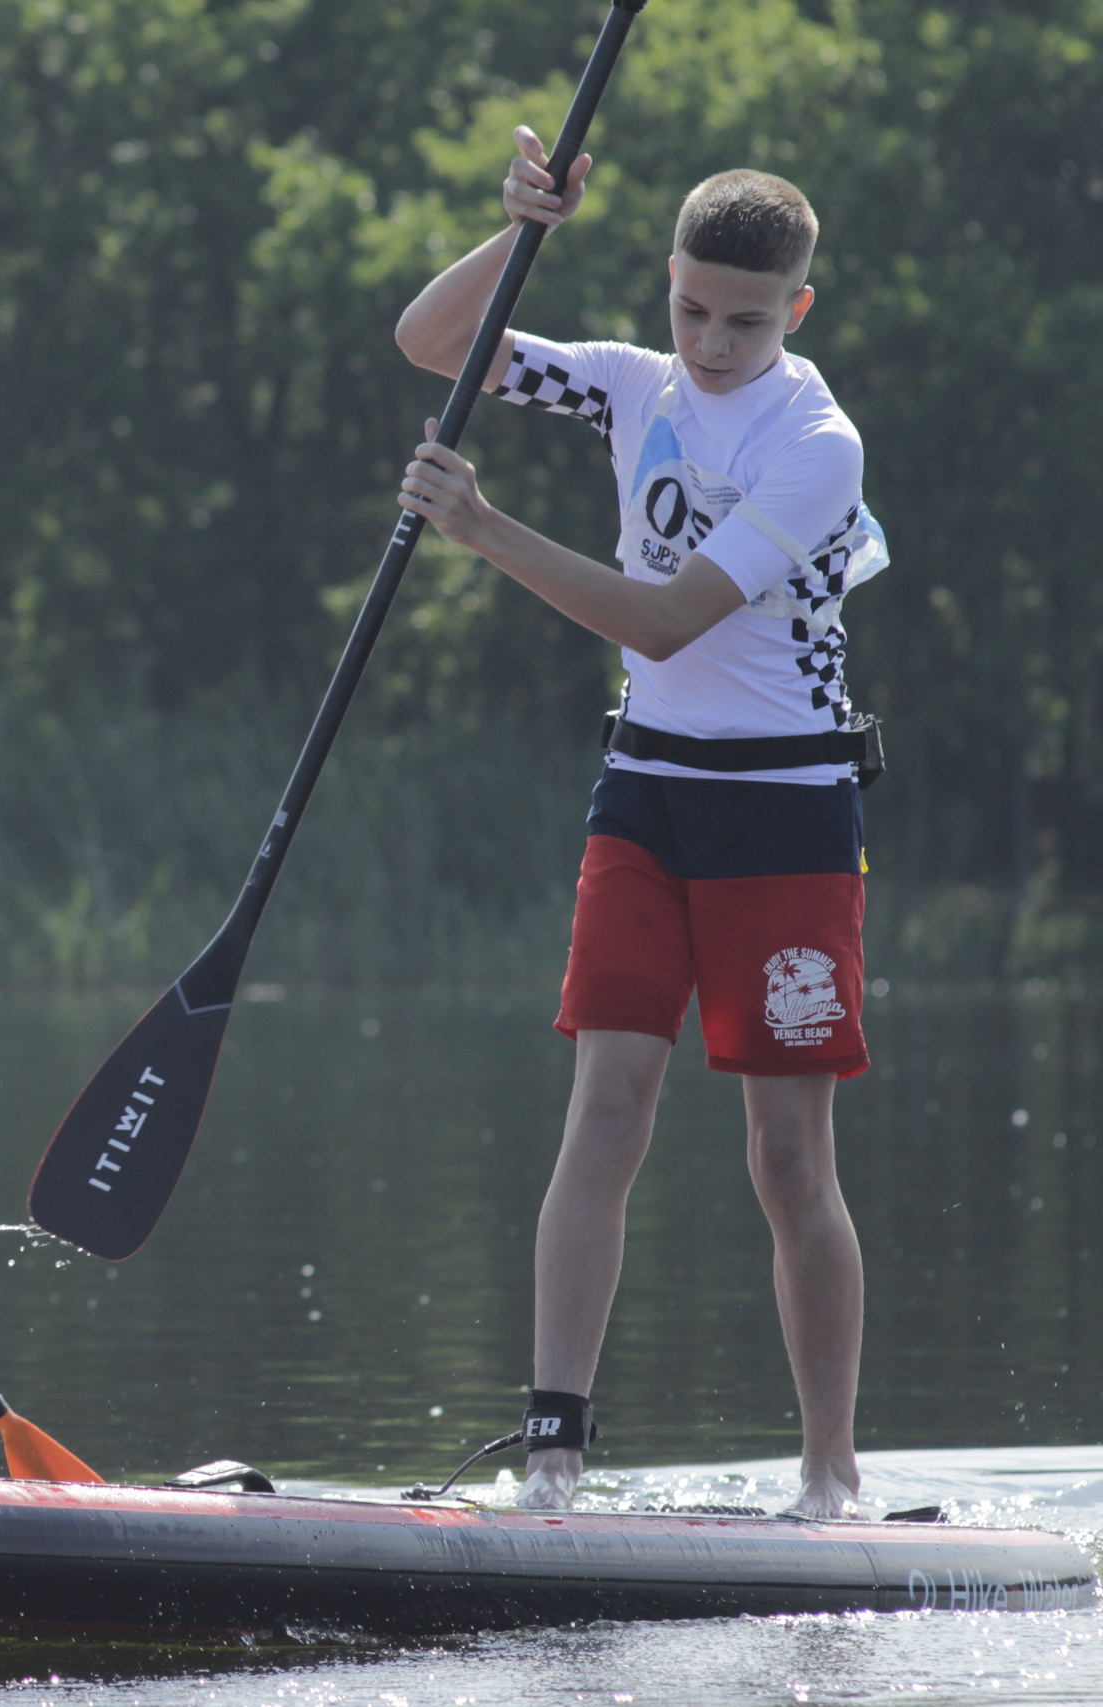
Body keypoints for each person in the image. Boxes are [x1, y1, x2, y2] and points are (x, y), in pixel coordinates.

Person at [392, 127, 889, 1518]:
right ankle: (553, 1458)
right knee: (604, 1106)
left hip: (785, 809)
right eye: (690, 308)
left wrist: (485, 532)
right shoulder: (629, 382)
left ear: (795, 310)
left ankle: (830, 1474)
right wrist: (522, 226)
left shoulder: (817, 447)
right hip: (647, 793)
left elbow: (667, 621)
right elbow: (432, 342)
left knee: (787, 1157)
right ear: (666, 282)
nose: (712, 343)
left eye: (744, 321)